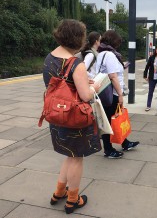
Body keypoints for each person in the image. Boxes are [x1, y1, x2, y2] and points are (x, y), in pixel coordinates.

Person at [42, 19, 102, 214]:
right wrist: (94, 87)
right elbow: (85, 95)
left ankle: (59, 192)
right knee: (76, 158)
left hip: (57, 115)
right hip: (73, 118)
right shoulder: (76, 63)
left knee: (69, 154)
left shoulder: (49, 58)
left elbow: (60, 85)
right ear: (78, 39)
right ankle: (73, 200)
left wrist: (83, 81)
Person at [96, 30, 139, 159]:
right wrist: (120, 94)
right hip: (112, 93)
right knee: (110, 121)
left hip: (107, 92)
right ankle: (108, 150)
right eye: (117, 42)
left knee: (114, 118)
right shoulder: (109, 55)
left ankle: (124, 142)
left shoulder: (102, 53)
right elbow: (113, 76)